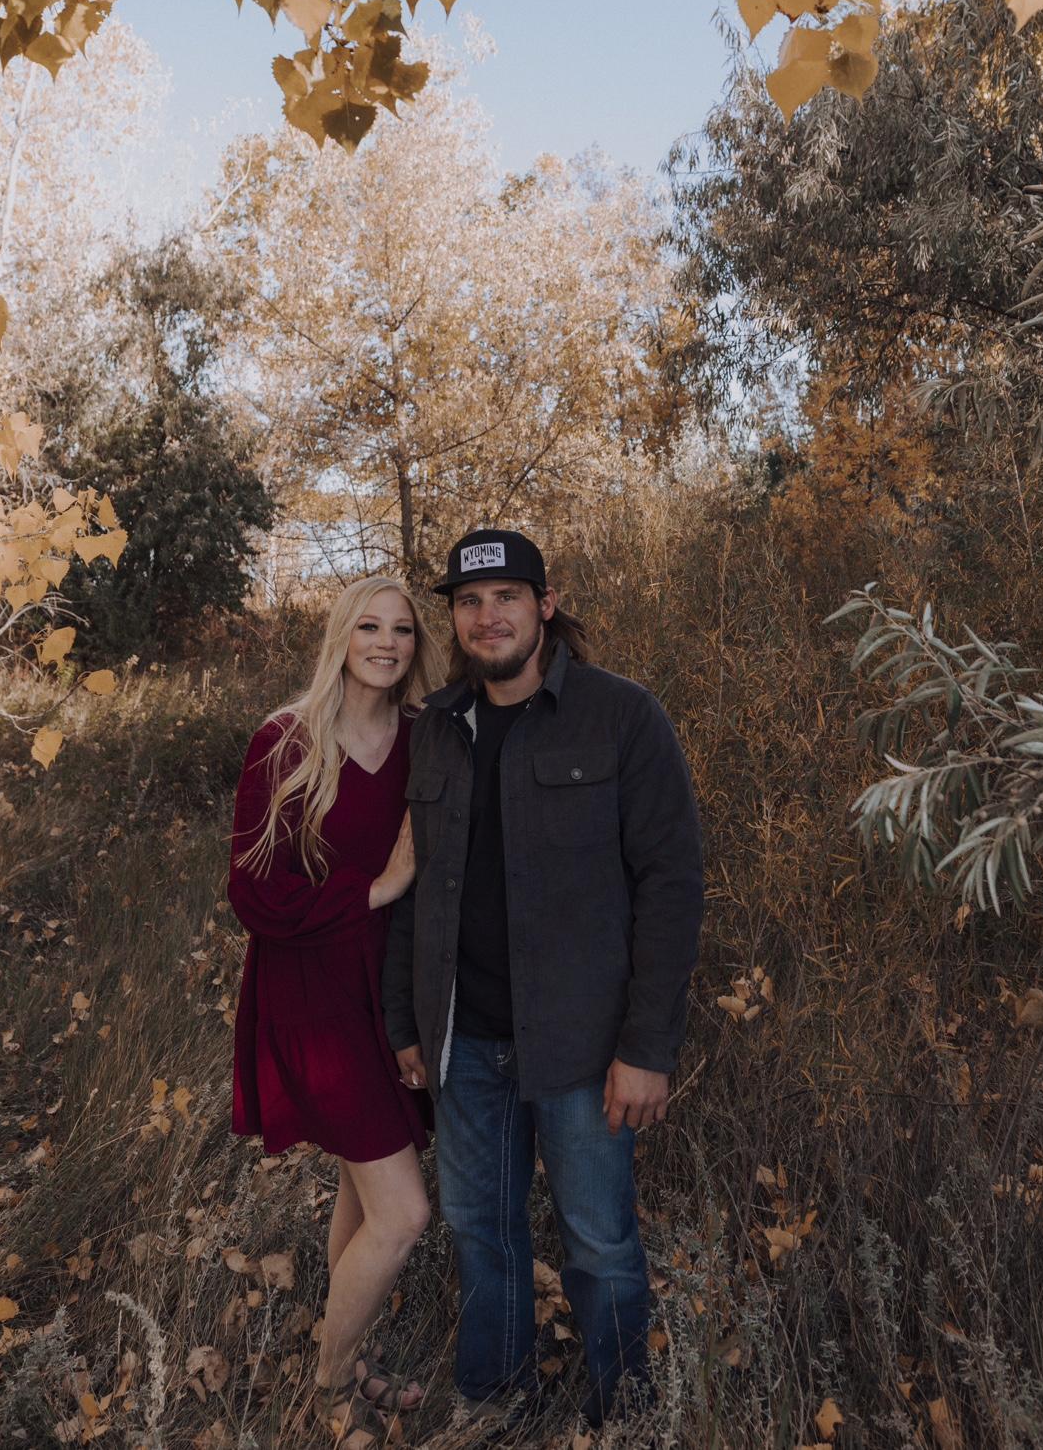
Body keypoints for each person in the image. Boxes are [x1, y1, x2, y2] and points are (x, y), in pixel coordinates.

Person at [382, 528, 704, 1429]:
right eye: (469, 602)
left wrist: (647, 1048)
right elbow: (414, 888)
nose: (488, 617)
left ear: (545, 606)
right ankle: (497, 1400)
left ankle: (623, 1414)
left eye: (507, 598)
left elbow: (672, 886)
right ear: (455, 618)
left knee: (598, 1241)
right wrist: (407, 1021)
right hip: (466, 1043)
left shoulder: (621, 716)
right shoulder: (438, 729)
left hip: (584, 1047)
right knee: (481, 1233)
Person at [227, 576, 445, 1447]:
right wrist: (377, 888)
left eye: (402, 630)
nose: (386, 643)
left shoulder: (425, 737)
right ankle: (327, 1385)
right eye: (369, 627)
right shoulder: (286, 740)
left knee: (363, 1189)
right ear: (341, 638)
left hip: (389, 991)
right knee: (403, 1212)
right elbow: (252, 895)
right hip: (314, 994)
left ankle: (350, 1360)